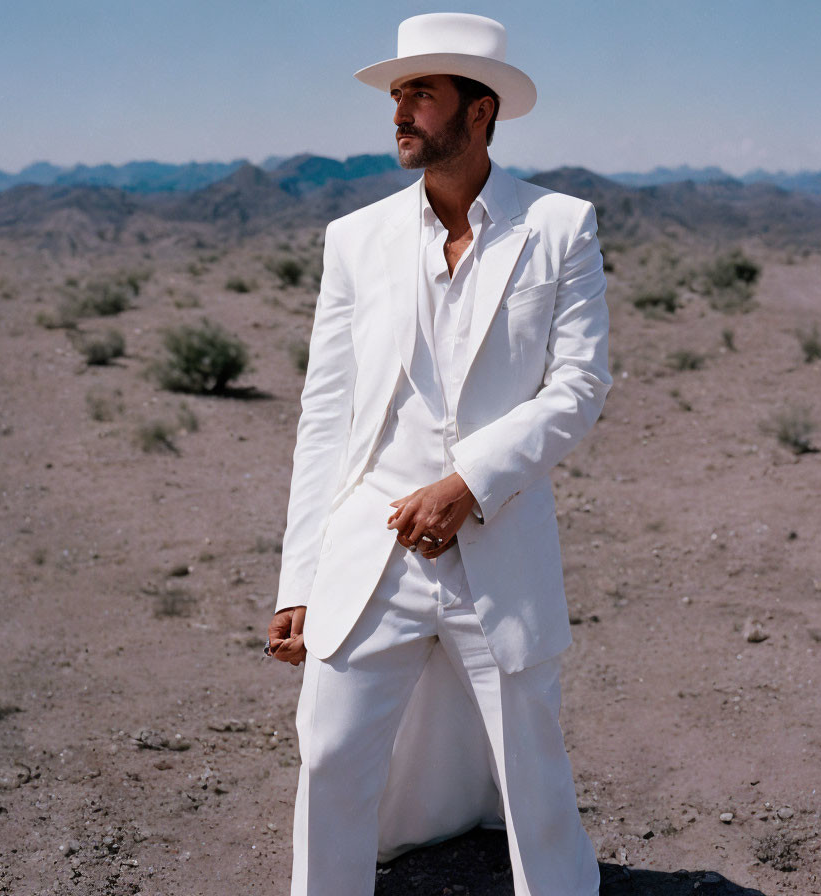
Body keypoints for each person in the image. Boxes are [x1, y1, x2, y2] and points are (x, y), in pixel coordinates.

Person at [266, 12, 611, 895]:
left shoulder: (560, 227)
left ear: (481, 109)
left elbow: (577, 388)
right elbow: (326, 414)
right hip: (371, 548)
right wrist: (298, 579)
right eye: (397, 95)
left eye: (422, 93)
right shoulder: (356, 239)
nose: (401, 113)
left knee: (531, 770)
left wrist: (470, 482)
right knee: (330, 754)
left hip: (495, 545)